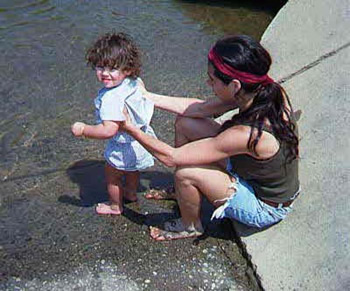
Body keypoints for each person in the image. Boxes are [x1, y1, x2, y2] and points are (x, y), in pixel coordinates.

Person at [121, 35, 300, 241]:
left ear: (234, 86)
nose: (208, 83)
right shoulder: (263, 89)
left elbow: (171, 157)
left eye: (212, 79)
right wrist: (146, 96)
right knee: (185, 122)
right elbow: (199, 109)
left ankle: (190, 226)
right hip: (255, 170)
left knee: (186, 172)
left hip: (265, 206)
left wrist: (130, 128)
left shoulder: (247, 134)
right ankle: (184, 193)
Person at [71, 32, 156, 215]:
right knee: (132, 170)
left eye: (113, 68)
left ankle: (115, 206)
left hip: (122, 146)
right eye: (100, 67)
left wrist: (84, 130)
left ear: (128, 69)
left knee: (112, 177)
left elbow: (108, 130)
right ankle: (131, 193)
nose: (105, 73)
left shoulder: (110, 98)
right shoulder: (134, 82)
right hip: (141, 141)